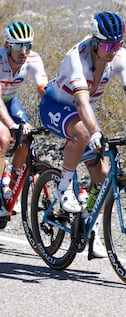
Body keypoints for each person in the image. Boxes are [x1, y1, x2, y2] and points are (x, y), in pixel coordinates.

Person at [39, 12, 126, 258]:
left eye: (118, 45)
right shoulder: (76, 57)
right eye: (109, 45)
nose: (114, 51)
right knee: (84, 133)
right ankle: (64, 187)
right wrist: (95, 133)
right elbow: (82, 101)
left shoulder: (120, 56)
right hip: (56, 106)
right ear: (95, 43)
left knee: (105, 174)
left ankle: (91, 227)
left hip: (82, 112)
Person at [0, 21, 48, 217]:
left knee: (27, 137)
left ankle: (12, 182)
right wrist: (11, 126)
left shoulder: (33, 59)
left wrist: (51, 117)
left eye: (28, 45)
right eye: (19, 46)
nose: (24, 51)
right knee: (3, 139)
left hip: (10, 101)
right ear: (7, 46)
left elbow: (44, 92)